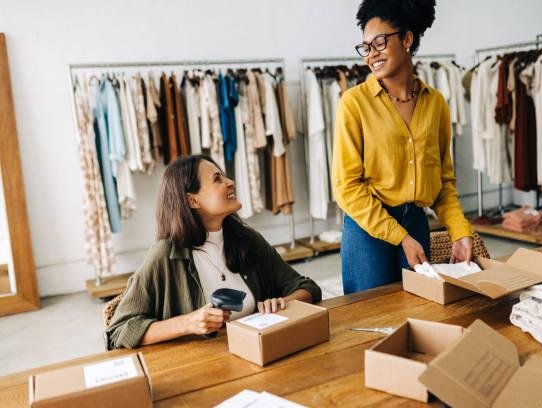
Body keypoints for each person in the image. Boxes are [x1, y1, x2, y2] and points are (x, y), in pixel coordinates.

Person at [105, 155, 321, 349]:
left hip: (256, 355)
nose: (231, 182)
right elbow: (119, 331)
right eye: (218, 179)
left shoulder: (248, 241)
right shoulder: (166, 255)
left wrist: (283, 304)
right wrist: (188, 323)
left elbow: (307, 287)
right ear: (192, 200)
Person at [332, 0, 473, 294]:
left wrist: (460, 231)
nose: (372, 55)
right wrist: (400, 237)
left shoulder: (435, 104)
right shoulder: (354, 104)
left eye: (380, 42)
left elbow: (443, 182)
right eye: (366, 47)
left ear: (407, 39)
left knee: (420, 312)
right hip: (368, 230)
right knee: (372, 320)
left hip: (417, 223)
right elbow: (347, 186)